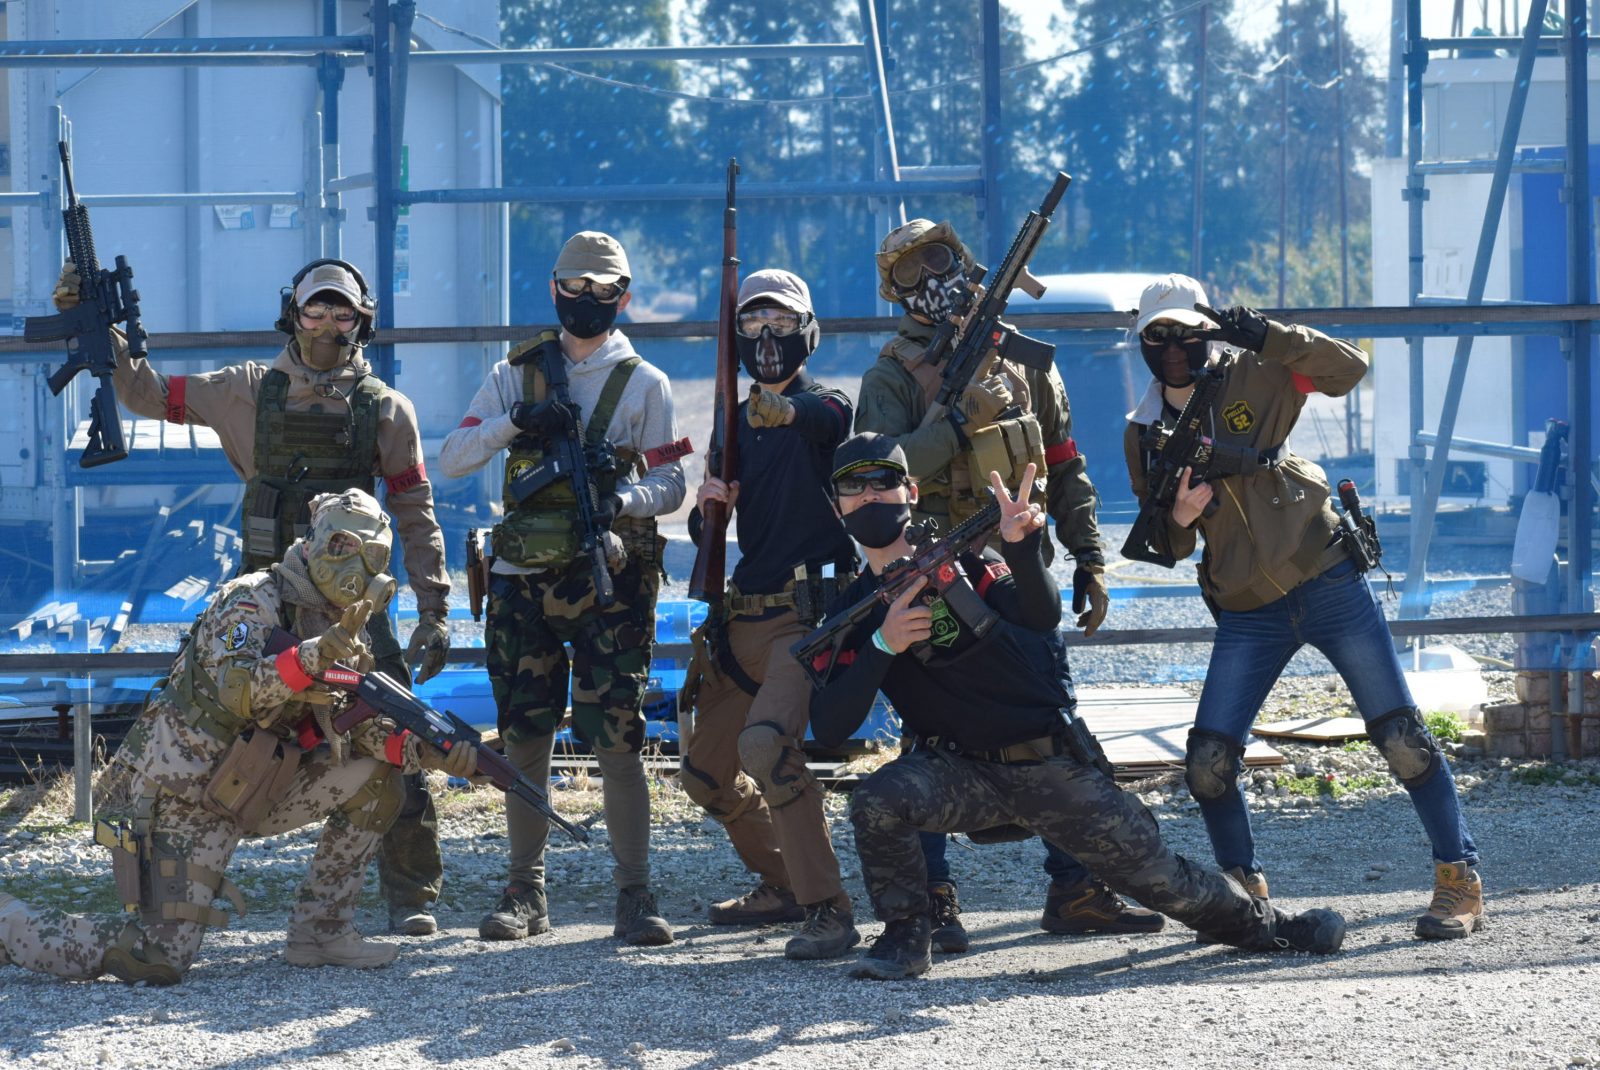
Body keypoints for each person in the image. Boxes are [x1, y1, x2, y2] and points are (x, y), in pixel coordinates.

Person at [806, 433, 1348, 980]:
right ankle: (905, 938)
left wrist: (1022, 547)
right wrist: (883, 645)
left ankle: (1272, 927)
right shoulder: (853, 613)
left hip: (1047, 765)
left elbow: (1039, 615)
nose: (870, 494)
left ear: (911, 491)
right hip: (959, 774)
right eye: (854, 486)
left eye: (883, 480)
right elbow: (829, 727)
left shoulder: (968, 564)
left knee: (1162, 879)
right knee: (879, 798)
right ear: (835, 506)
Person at [52, 258, 452, 938]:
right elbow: (148, 394)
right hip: (262, 610)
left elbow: (416, 513)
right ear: (292, 314)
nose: (327, 325)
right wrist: (97, 328)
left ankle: (410, 892)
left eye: (342, 312)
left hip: (353, 616)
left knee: (396, 734)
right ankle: (165, 897)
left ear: (362, 321)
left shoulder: (387, 409)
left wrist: (435, 609)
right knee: (200, 741)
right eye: (315, 310)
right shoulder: (244, 390)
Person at [1122, 273, 1484, 940]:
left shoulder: (1256, 372)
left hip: (1328, 580)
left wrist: (1267, 334)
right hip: (1249, 608)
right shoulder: (1143, 430)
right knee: (1207, 763)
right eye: (1157, 335)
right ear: (1140, 341)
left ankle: (1459, 880)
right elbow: (1164, 543)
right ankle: (1241, 897)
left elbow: (1348, 370)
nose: (1172, 348)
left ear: (1210, 331)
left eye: (1186, 332)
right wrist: (1179, 516)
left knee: (1402, 740)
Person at [0, 491, 472, 985]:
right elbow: (239, 691)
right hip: (186, 793)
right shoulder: (251, 599)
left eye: (372, 556)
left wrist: (429, 753)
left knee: (378, 778)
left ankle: (322, 931)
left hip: (259, 783)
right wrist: (315, 655)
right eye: (342, 546)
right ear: (312, 544)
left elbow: (358, 728)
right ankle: (11, 925)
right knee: (157, 956)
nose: (356, 567)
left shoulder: (345, 630)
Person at [853, 219, 1156, 950]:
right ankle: (932, 899)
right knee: (931, 737)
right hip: (938, 581)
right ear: (894, 292)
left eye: (940, 259)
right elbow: (879, 475)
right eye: (911, 272)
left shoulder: (1022, 363)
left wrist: (1088, 557)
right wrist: (958, 424)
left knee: (1051, 728)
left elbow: (1066, 465)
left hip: (1020, 577)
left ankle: (1078, 887)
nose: (932, 279)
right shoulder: (891, 378)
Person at [438, 231, 685, 947]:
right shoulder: (513, 374)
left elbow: (672, 480)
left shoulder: (645, 383)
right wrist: (516, 420)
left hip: (611, 581)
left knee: (618, 739)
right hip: (522, 581)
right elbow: (453, 457)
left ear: (624, 298)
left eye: (602, 290)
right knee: (525, 738)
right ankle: (524, 891)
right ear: (554, 289)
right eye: (575, 287)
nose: (587, 300)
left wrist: (623, 501)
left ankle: (634, 892)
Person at [680, 268, 860, 959]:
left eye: (781, 323)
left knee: (766, 748)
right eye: (753, 323)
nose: (766, 336)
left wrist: (783, 411)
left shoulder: (826, 407)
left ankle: (828, 909)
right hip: (740, 621)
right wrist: (709, 509)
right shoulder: (732, 423)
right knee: (703, 775)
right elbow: (711, 533)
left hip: (803, 620)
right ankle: (783, 882)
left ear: (808, 333)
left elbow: (829, 420)